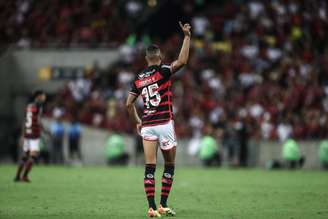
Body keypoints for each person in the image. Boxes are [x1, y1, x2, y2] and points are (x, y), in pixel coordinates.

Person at [126, 21, 191, 217]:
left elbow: (128, 104)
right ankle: (162, 204)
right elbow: (182, 61)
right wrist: (187, 37)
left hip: (147, 125)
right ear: (160, 56)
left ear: (146, 58)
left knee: (150, 166)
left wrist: (137, 121)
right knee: (169, 164)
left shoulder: (138, 78)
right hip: (164, 123)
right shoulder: (163, 71)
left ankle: (151, 208)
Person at [14, 90, 47, 182]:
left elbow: (24, 120)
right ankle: (24, 176)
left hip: (27, 134)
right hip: (34, 134)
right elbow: (38, 121)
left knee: (25, 156)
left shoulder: (29, 106)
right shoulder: (39, 106)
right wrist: (46, 131)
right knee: (33, 156)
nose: (44, 98)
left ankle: (17, 176)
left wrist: (22, 135)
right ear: (38, 97)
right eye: (43, 96)